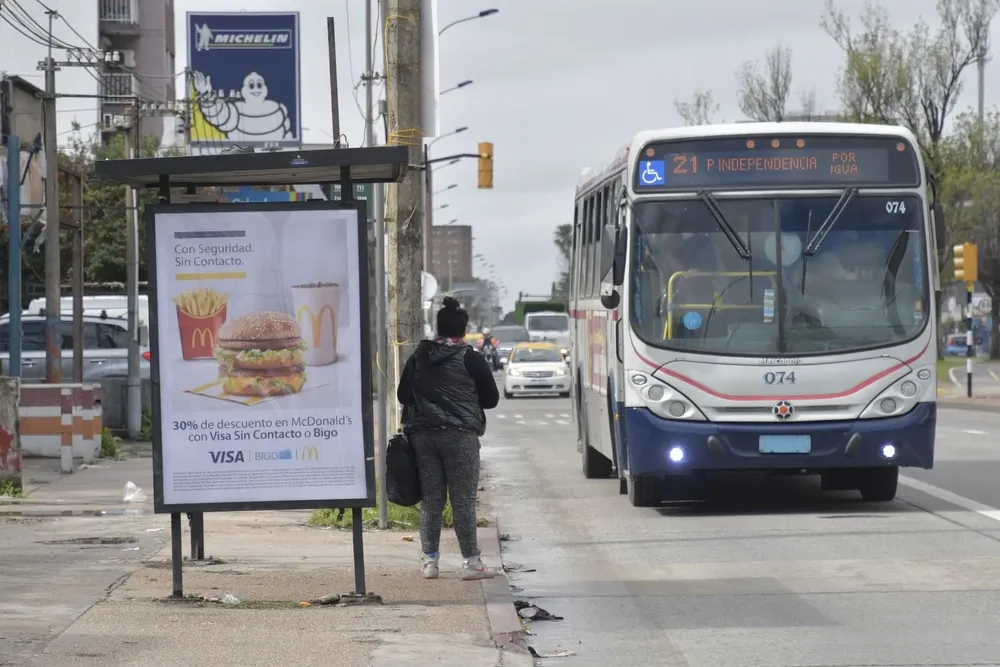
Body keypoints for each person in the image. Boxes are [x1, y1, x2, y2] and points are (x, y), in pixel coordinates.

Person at [397, 296, 501, 580]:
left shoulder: (419, 357)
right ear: (464, 329)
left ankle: (430, 562)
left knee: (431, 499)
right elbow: (491, 399)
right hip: (461, 437)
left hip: (423, 436)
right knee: (463, 500)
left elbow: (402, 395)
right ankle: (471, 563)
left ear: (438, 327)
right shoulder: (471, 358)